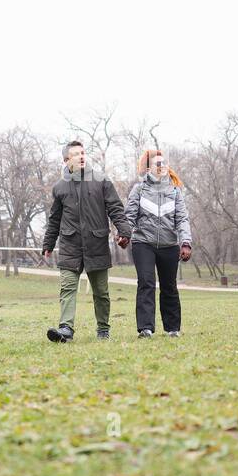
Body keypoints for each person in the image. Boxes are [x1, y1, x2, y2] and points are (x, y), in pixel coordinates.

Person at [41, 140, 132, 342]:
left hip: (96, 243)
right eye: (75, 154)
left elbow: (116, 208)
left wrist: (124, 231)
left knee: (101, 292)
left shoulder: (102, 181)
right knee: (67, 288)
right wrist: (48, 243)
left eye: (83, 153)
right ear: (66, 160)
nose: (81, 156)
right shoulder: (59, 187)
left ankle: (103, 330)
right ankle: (66, 329)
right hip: (69, 245)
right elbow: (54, 218)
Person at [124, 148, 192, 337]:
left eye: (164, 163)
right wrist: (124, 234)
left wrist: (185, 242)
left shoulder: (175, 191)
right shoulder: (139, 189)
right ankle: (145, 328)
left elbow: (182, 219)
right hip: (143, 243)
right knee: (146, 282)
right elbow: (129, 217)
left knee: (169, 285)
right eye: (157, 163)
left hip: (169, 245)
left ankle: (172, 329)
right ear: (148, 169)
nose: (162, 166)